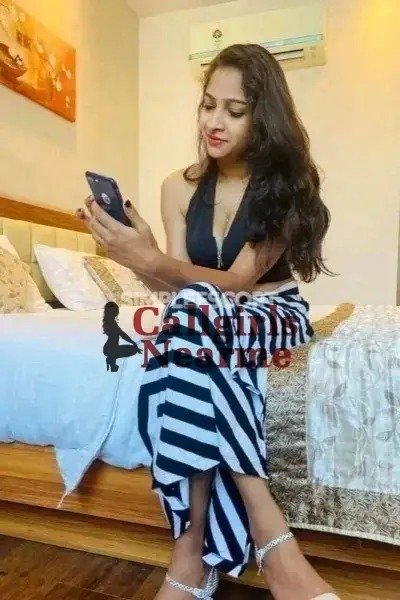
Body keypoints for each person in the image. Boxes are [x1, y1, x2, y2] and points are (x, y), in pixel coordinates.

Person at [77, 44, 339, 600]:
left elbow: (240, 280)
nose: (214, 122)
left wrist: (150, 259)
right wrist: (140, 252)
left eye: (234, 111)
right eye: (208, 105)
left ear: (263, 118)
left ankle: (193, 556)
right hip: (206, 315)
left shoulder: (286, 184)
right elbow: (178, 286)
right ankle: (271, 545)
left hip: (272, 310)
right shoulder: (178, 186)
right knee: (188, 317)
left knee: (186, 328)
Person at [102, 301, 142, 372]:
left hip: (109, 348)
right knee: (133, 350)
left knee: (132, 349)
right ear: (113, 311)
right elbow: (122, 334)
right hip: (110, 349)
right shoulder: (111, 323)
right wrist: (133, 343)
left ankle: (111, 360)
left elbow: (121, 334)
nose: (118, 312)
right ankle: (111, 359)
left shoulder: (109, 322)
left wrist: (133, 343)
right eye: (117, 310)